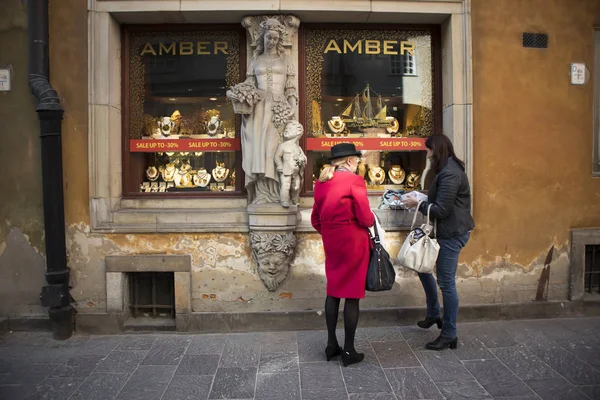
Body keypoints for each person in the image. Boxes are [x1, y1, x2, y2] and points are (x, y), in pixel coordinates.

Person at [403, 134, 475, 351]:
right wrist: (423, 198)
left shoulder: (451, 173)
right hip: (443, 232)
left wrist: (418, 203)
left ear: (437, 151)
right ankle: (434, 313)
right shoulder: (445, 170)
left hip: (452, 233)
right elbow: (440, 201)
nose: (426, 154)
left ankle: (449, 333)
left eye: (428, 151)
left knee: (447, 284)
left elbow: (441, 210)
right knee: (423, 268)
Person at [311, 143, 374, 367]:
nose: (358, 165)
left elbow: (315, 219)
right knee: (352, 295)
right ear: (349, 161)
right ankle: (348, 350)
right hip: (353, 241)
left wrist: (331, 232)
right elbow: (366, 218)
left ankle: (331, 345)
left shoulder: (321, 182)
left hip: (332, 241)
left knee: (334, 291)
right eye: (357, 161)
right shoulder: (355, 181)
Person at [237, 18, 298, 204]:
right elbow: (249, 85)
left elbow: (290, 87)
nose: (271, 41)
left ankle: (276, 192)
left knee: (274, 148)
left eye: (274, 38)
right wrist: (240, 94)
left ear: (279, 40)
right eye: (268, 38)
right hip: (258, 109)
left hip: (279, 109)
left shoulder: (286, 60)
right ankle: (262, 193)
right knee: (260, 149)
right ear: (262, 38)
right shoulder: (256, 61)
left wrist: (293, 106)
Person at [274, 121, 307, 207]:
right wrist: (280, 165)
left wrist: (302, 159)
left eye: (290, 129)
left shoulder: (298, 147)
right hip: (286, 169)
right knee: (286, 185)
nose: (286, 130)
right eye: (286, 128)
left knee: (296, 186)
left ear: (298, 133)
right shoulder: (283, 146)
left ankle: (294, 199)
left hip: (296, 170)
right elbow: (277, 156)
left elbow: (304, 158)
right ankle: (284, 201)